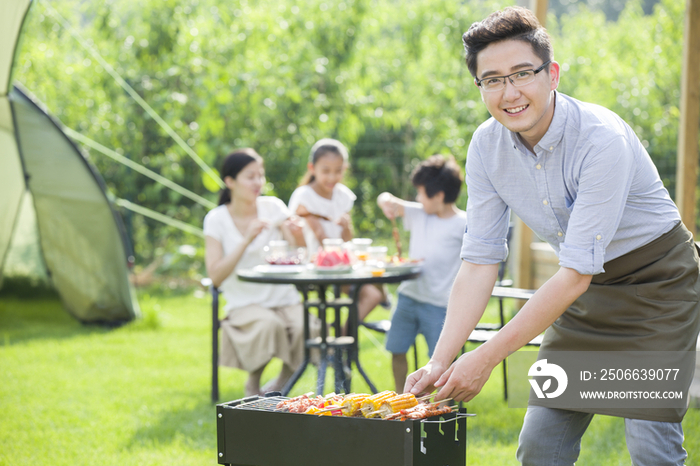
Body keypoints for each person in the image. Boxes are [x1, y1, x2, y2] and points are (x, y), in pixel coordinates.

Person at [405, 7, 700, 466]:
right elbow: (480, 259)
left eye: (522, 73)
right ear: (479, 87)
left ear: (552, 73)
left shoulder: (601, 139)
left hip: (657, 289)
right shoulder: (485, 146)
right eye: (493, 79)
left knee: (651, 449)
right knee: (540, 446)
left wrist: (485, 358)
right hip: (580, 297)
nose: (510, 91)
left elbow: (576, 272)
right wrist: (442, 360)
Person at [204, 148, 306, 397]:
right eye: (250, 176)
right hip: (244, 301)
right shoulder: (216, 219)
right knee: (269, 324)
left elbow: (299, 254)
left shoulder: (273, 207)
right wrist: (246, 239)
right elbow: (215, 276)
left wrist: (297, 233)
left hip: (284, 297)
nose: (258, 182)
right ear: (230, 182)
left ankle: (281, 382)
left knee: (311, 327)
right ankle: (253, 384)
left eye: (260, 175)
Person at [377, 154, 466, 392]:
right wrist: (385, 202)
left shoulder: (463, 224)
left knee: (439, 360)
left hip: (440, 304)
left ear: (438, 196)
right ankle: (400, 395)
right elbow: (385, 198)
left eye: (421, 192)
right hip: (409, 297)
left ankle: (430, 403)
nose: (417, 198)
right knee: (397, 348)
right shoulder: (419, 213)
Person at [288, 138, 387, 323]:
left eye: (338, 171)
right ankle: (338, 342)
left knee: (373, 295)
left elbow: (347, 241)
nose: (332, 177)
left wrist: (346, 227)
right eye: (325, 171)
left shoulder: (343, 196)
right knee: (369, 291)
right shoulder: (304, 196)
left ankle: (343, 337)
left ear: (345, 169)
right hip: (312, 267)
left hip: (339, 266)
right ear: (312, 168)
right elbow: (319, 239)